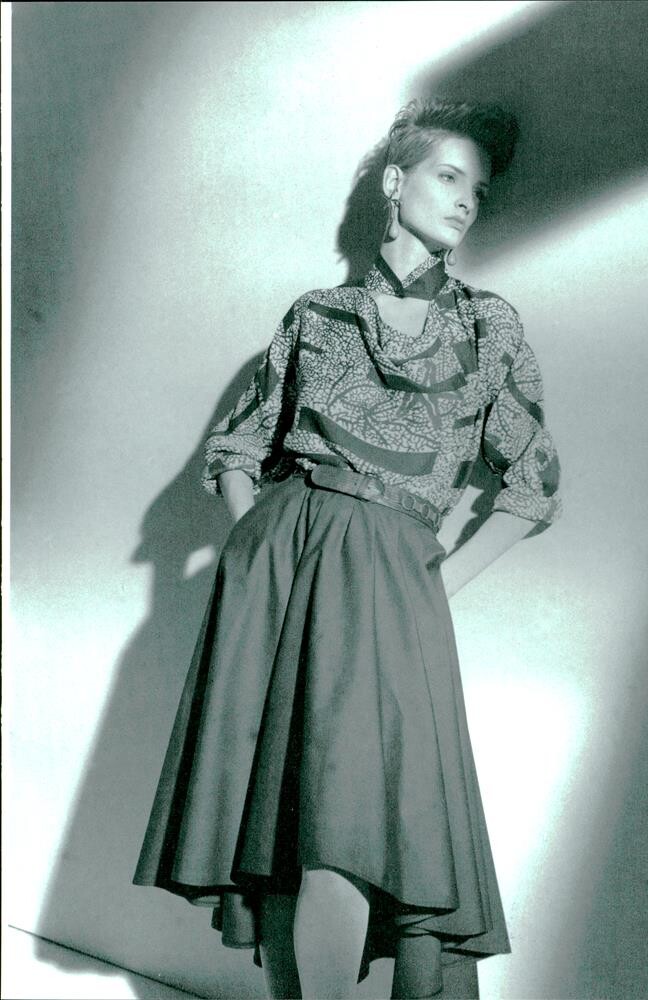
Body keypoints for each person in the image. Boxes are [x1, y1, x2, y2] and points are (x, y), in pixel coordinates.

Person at [133, 98, 561, 1000]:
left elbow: (531, 483)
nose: (466, 200)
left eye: (478, 190)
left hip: (392, 577)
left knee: (353, 823)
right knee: (283, 827)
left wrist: (436, 583)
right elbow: (240, 448)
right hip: (280, 567)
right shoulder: (317, 315)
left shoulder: (488, 325)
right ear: (394, 182)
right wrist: (252, 538)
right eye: (448, 176)